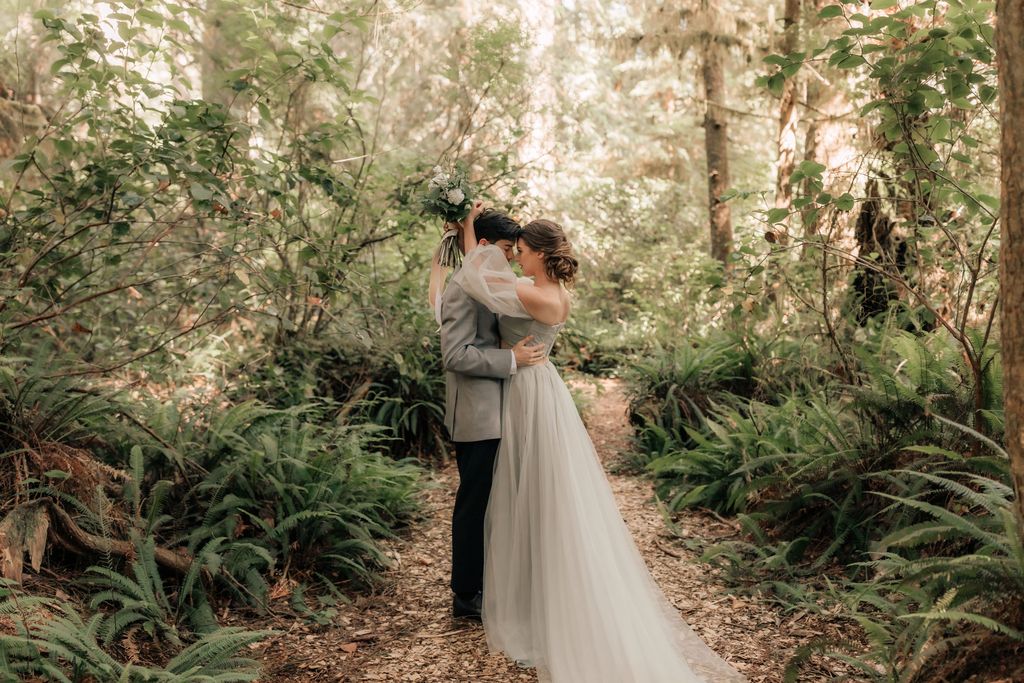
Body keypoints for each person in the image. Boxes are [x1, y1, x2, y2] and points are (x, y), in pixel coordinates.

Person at [445, 203, 746, 682]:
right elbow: (484, 272)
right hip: (537, 388)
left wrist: (467, 231)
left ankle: (541, 596)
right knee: (534, 490)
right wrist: (468, 230)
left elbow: (479, 278)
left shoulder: (535, 295)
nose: (515, 259)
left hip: (528, 391)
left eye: (521, 252)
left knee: (537, 493)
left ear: (540, 255)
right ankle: (529, 589)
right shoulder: (551, 291)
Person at [433, 208, 548, 620]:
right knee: (475, 505)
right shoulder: (461, 289)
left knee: (501, 502)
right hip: (478, 415)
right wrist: (509, 357)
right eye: (505, 249)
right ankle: (466, 596)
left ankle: (495, 584)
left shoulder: (482, 278)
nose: (512, 257)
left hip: (505, 408)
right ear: (485, 247)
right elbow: (455, 354)